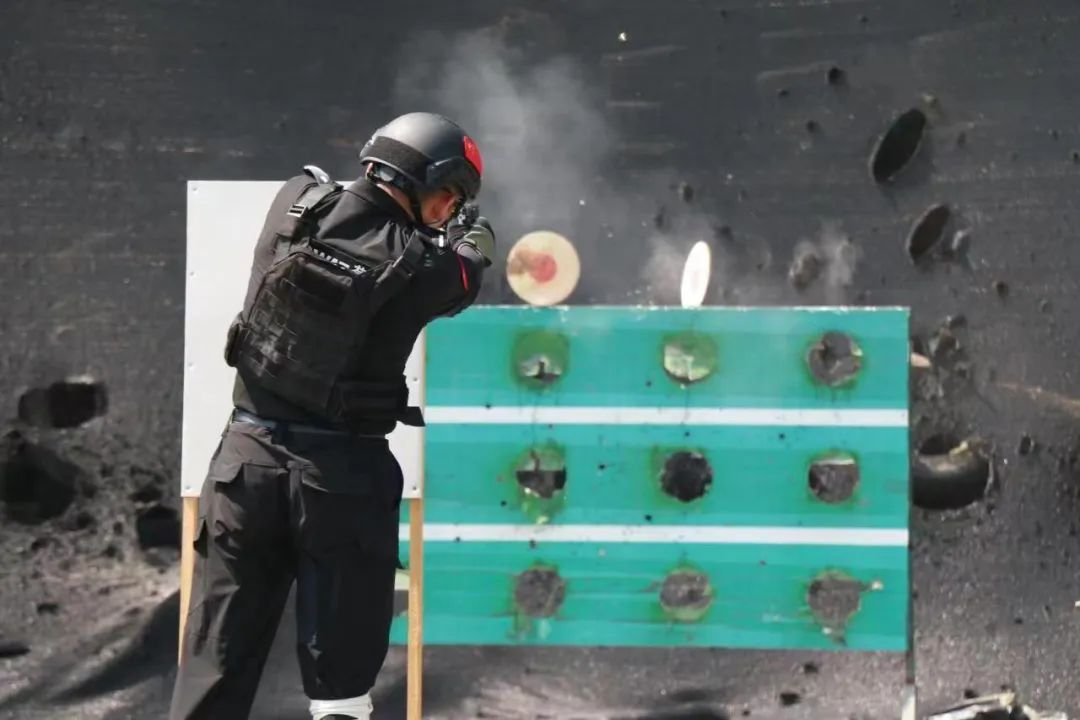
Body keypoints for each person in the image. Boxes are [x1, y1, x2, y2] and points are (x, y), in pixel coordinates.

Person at [170, 112, 495, 720]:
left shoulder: (293, 205)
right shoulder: (424, 268)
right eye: (448, 197)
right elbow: (466, 273)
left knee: (213, 669)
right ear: (424, 181)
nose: (447, 211)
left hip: (244, 466)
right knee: (340, 688)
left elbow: (344, 208)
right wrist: (474, 238)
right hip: (339, 480)